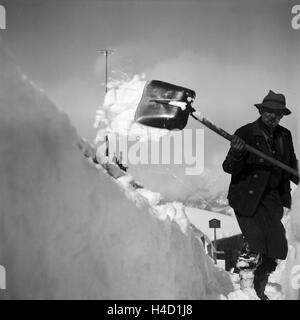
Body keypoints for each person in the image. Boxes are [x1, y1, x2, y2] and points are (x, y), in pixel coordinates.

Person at [222, 90, 299, 299]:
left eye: (278, 113)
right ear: (262, 111)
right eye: (269, 112)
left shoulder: (285, 135)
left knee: (276, 247)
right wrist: (238, 152)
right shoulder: (245, 133)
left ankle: (258, 288)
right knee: (255, 242)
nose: (273, 117)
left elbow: (291, 164)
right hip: (246, 198)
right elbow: (229, 167)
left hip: (272, 200)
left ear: (282, 115)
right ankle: (246, 290)